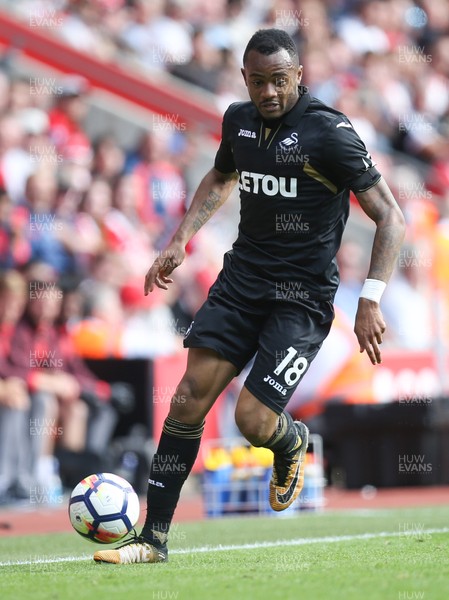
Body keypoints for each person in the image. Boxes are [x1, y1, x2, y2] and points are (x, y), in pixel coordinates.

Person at [93, 28, 405, 565]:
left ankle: (289, 443)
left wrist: (370, 299)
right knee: (188, 401)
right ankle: (153, 539)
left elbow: (391, 216)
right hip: (242, 283)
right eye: (258, 82)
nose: (268, 94)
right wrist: (179, 240)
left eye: (279, 81)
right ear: (244, 79)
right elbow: (219, 177)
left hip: (301, 298)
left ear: (299, 76)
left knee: (253, 423)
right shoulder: (238, 120)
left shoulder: (329, 133)